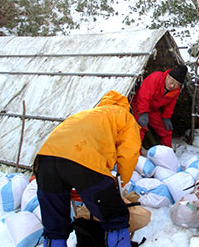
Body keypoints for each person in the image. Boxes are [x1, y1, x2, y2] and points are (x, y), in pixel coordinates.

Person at [34, 90, 141, 247]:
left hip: (46, 159)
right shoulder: (124, 116)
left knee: (54, 224)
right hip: (82, 158)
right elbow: (129, 154)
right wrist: (121, 181)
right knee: (115, 216)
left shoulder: (87, 114)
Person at [131, 65, 187, 148]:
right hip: (139, 105)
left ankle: (167, 152)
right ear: (167, 76)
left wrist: (166, 117)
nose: (172, 86)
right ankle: (136, 155)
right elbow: (143, 96)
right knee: (140, 127)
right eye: (172, 82)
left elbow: (170, 105)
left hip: (153, 110)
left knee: (165, 130)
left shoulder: (175, 91)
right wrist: (143, 113)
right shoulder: (156, 78)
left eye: (176, 84)